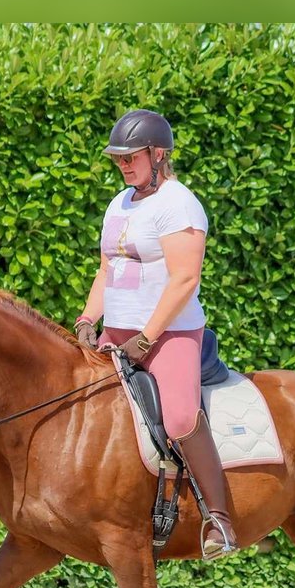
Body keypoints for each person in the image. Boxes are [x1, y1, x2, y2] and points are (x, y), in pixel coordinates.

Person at [74, 109, 238, 559]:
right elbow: (108, 268)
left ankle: (218, 520)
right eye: (118, 159)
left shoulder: (180, 204)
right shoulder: (119, 203)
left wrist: (146, 337)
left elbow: (185, 279)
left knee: (182, 418)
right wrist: (88, 320)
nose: (124, 165)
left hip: (170, 335)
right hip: (119, 331)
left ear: (158, 154)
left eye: (131, 157)